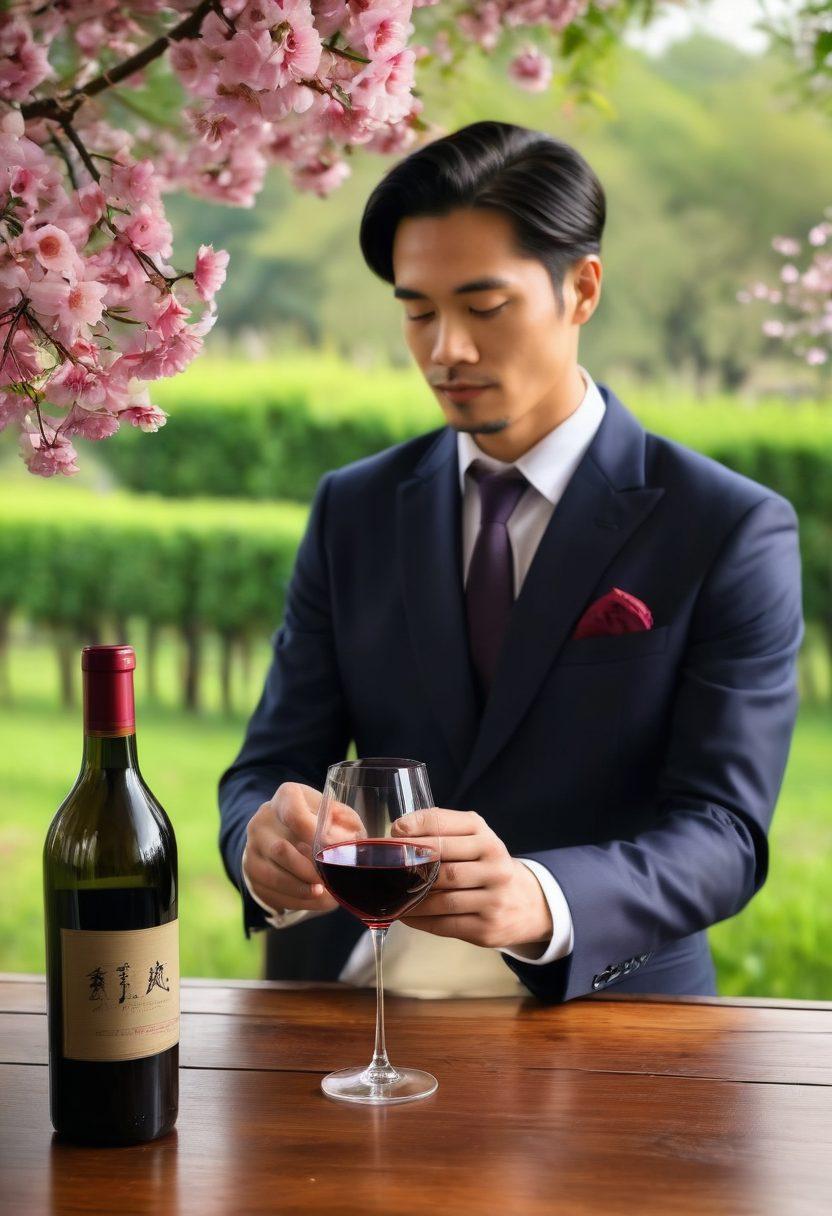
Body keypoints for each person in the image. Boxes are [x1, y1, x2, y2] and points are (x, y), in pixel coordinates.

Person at [218, 120, 803, 1002]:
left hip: (608, 1018)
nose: (444, 349)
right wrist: (259, 845)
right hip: (347, 1006)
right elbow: (268, 767)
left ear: (583, 289)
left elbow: (724, 831)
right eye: (418, 312)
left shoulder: (728, 526)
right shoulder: (356, 508)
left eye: (483, 308)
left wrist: (544, 897)